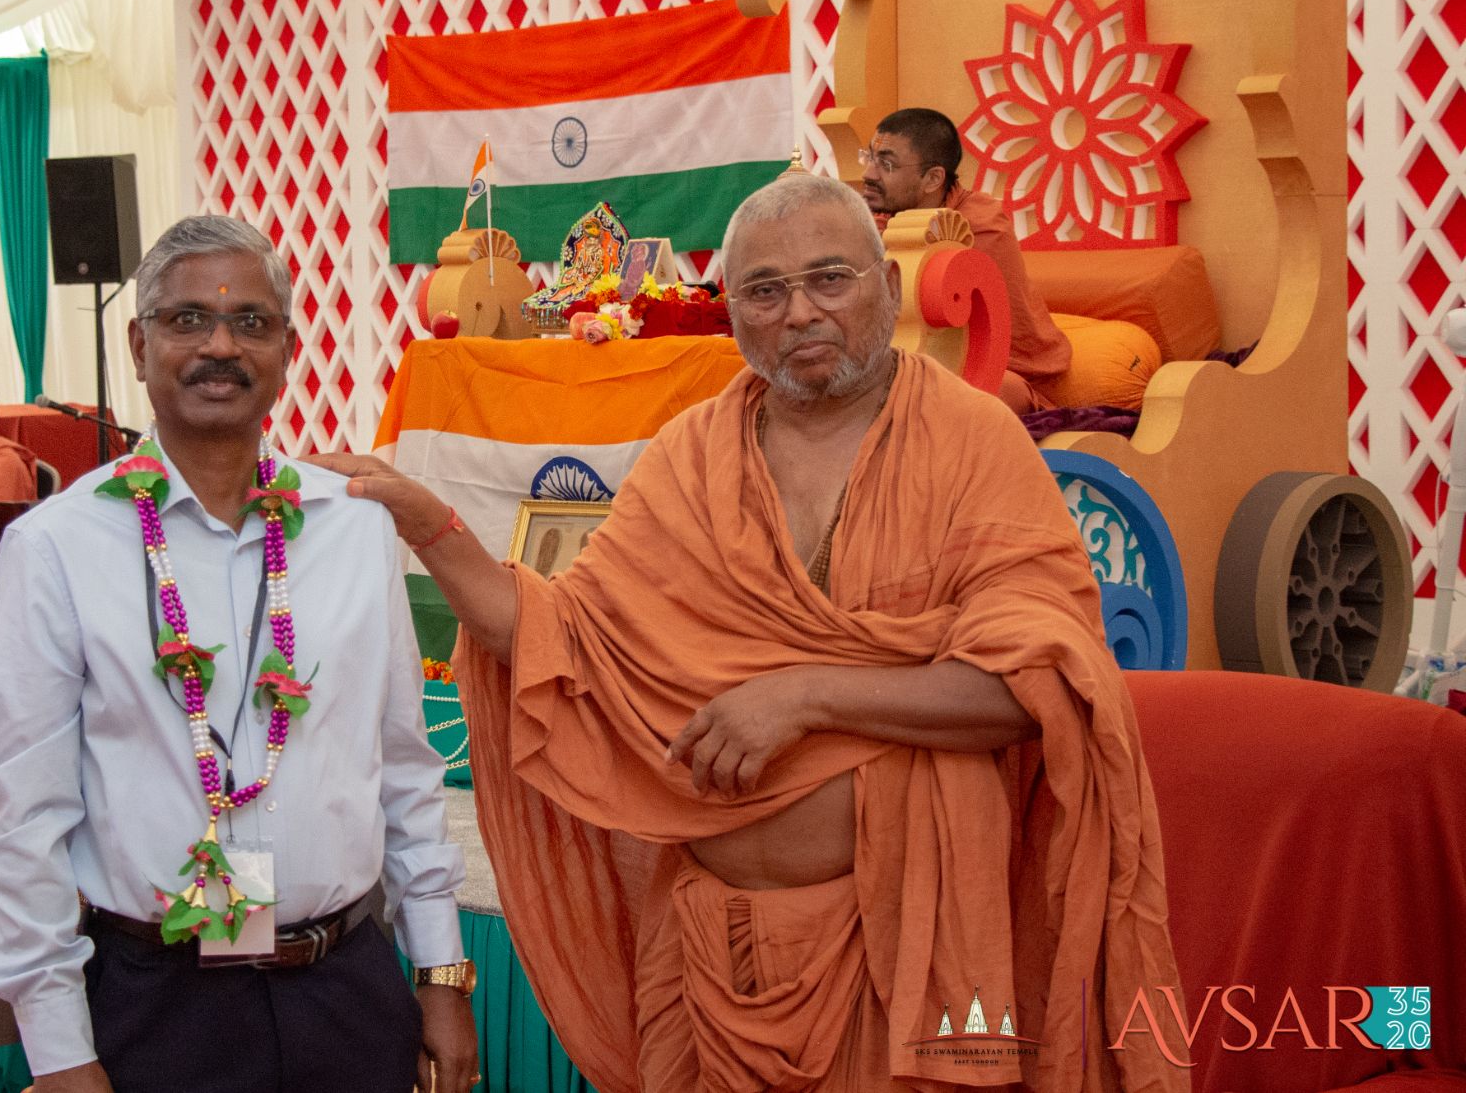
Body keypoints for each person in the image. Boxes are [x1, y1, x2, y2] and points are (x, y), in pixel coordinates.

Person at [315, 174, 1183, 1092]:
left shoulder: (973, 441)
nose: (800, 312)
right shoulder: (693, 453)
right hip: (710, 962)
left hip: (909, 941)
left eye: (830, 279)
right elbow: (559, 635)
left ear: (887, 284)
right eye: (765, 291)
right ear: (731, 311)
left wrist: (803, 697)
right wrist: (426, 519)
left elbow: (1036, 681)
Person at [0, 215, 477, 1093]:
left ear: (285, 347)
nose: (220, 346)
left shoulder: (352, 526)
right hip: (156, 1002)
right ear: (138, 343)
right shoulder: (59, 545)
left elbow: (402, 767)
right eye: (186, 319)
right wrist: (58, 1051)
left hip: (346, 991)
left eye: (251, 323)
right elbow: (21, 818)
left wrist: (440, 973)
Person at [859, 106, 1072, 413]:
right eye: (868, 158)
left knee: (962, 398)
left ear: (932, 179)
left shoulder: (978, 228)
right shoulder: (879, 221)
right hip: (907, 364)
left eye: (887, 165)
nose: (868, 174)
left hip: (1003, 371)